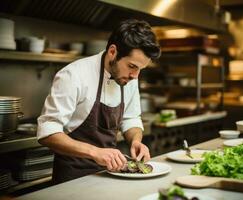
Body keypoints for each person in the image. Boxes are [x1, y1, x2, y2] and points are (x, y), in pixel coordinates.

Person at [37, 19, 161, 184]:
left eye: (140, 69)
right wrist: (94, 152)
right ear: (112, 52)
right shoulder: (73, 75)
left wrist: (136, 141)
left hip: (109, 175)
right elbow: (47, 132)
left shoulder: (129, 78)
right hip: (72, 179)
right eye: (132, 66)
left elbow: (131, 118)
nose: (135, 76)